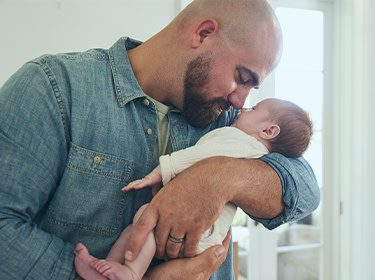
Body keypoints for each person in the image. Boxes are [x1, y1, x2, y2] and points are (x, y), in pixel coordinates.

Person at [0, 0, 320, 279]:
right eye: (242, 77)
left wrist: (221, 177)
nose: (240, 101)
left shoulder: (227, 121)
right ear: (203, 33)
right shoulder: (53, 89)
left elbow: (305, 190)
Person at [74, 98, 313, 280]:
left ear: (269, 131)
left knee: (144, 218)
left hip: (197, 235)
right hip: (207, 241)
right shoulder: (258, 153)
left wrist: (161, 170)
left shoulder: (239, 140)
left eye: (254, 110)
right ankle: (111, 268)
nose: (243, 107)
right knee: (134, 230)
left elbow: (199, 156)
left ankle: (130, 272)